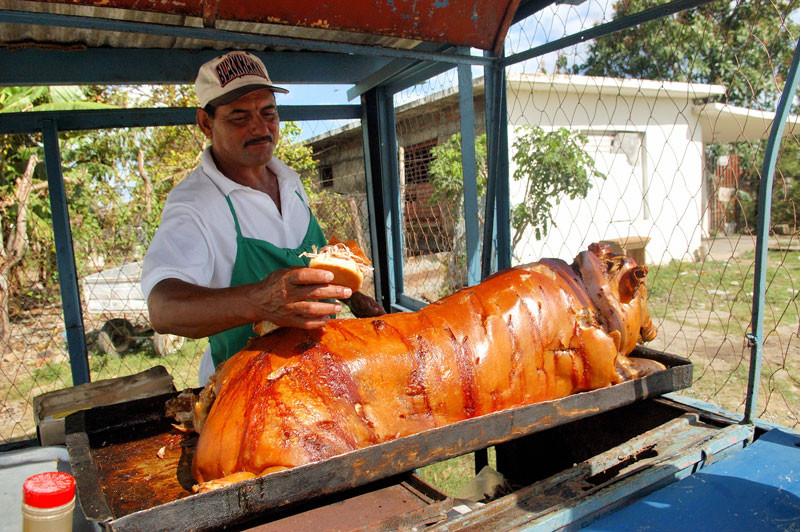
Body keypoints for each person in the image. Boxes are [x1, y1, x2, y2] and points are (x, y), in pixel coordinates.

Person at [141, 51, 385, 385]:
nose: (260, 127)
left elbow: (312, 255)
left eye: (268, 112)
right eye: (239, 117)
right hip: (246, 389)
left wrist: (351, 295)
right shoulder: (195, 204)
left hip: (316, 372)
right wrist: (260, 300)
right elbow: (164, 308)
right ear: (206, 123)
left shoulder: (289, 180)